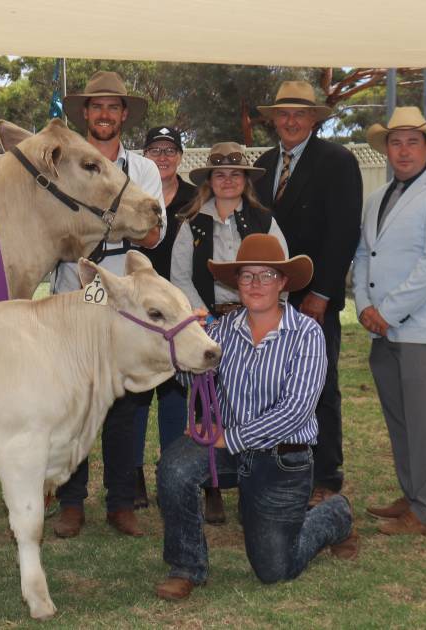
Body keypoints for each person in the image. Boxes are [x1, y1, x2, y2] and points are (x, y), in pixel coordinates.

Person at [154, 233, 357, 601]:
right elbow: (190, 376)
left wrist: (227, 437)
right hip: (230, 446)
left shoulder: (307, 334)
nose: (256, 284)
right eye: (247, 276)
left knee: (274, 569)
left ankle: (335, 514)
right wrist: (184, 341)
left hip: (282, 457)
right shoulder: (222, 332)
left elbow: (296, 411)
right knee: (175, 467)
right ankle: (186, 565)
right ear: (236, 284)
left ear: (282, 283)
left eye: (266, 276)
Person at [50, 71, 167, 539]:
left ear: (123, 115)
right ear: (85, 114)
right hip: (79, 289)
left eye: (112, 107)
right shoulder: (66, 167)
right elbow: (57, 236)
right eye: (96, 107)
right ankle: (71, 502)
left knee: (128, 401)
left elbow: (154, 234)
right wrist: (120, 221)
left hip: (127, 295)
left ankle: (121, 502)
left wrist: (99, 222)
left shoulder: (144, 172)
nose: (104, 114)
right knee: (75, 400)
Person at [353, 107, 426, 536]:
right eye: (395, 142)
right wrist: (365, 305)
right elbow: (365, 254)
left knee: (423, 421)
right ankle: (411, 493)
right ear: (386, 149)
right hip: (382, 327)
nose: (403, 151)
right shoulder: (377, 198)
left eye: (411, 142)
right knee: (399, 418)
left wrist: (387, 312)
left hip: (421, 328)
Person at [253, 81, 363, 509]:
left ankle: (326, 477)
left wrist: (321, 293)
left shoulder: (337, 162)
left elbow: (344, 234)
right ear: (274, 120)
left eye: (301, 114)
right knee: (272, 385)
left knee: (319, 385)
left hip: (313, 301)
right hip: (268, 300)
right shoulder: (262, 167)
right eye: (284, 114)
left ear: (315, 119)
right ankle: (278, 468)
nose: (292, 121)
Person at [170, 142, 287, 524]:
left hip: (254, 320)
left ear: (245, 181)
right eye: (219, 174)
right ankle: (213, 485)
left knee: (255, 398)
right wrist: (200, 314)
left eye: (235, 174)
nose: (227, 181)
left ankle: (258, 480)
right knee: (211, 403)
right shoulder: (193, 223)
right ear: (209, 181)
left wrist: (264, 310)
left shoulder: (263, 220)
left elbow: (280, 265)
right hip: (212, 324)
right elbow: (180, 277)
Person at [123, 126, 194, 509]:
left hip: (179, 311)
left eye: (170, 150)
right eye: (154, 150)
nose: (162, 157)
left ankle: (172, 471)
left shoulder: (194, 199)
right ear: (144, 155)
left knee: (175, 396)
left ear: (180, 157)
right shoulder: (134, 195)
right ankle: (131, 475)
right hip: (140, 311)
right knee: (136, 395)